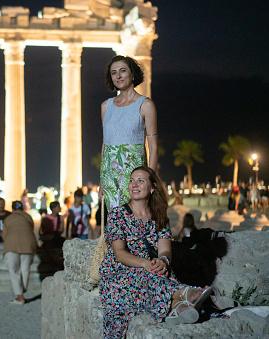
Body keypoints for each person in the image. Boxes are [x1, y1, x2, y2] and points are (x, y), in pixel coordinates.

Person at [98, 166, 212, 338]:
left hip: (152, 268)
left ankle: (177, 308)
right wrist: (146, 263)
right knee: (147, 275)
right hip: (119, 272)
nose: (134, 185)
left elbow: (165, 248)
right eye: (131, 181)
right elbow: (119, 253)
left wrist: (163, 261)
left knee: (159, 274)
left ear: (152, 188)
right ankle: (184, 293)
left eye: (140, 181)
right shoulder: (117, 215)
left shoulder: (159, 215)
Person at [99, 55, 158, 211]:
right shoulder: (106, 106)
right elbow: (105, 144)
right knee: (115, 223)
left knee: (135, 218)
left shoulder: (146, 104)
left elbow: (153, 147)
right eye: (114, 72)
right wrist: (101, 181)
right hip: (110, 175)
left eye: (123, 71)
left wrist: (150, 179)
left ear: (133, 74)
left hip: (135, 173)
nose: (118, 76)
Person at [2, 200, 38, 305]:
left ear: (12, 209)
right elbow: (30, 229)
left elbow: (4, 235)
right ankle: (22, 291)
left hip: (12, 244)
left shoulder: (8, 218)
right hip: (28, 244)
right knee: (25, 269)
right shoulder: (28, 217)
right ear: (22, 208)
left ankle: (20, 296)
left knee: (14, 270)